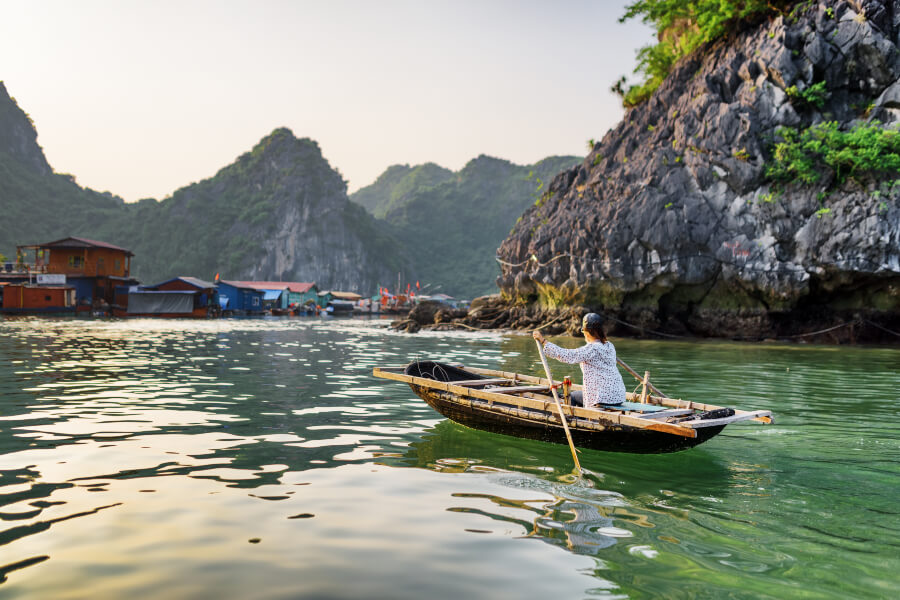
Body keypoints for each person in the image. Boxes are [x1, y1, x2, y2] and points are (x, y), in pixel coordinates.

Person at [532, 313, 626, 408]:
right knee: (581, 395)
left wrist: (543, 341)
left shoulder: (592, 348)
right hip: (618, 396)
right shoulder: (610, 345)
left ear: (587, 332)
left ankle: (575, 419)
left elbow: (567, 355)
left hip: (603, 398)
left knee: (572, 396)